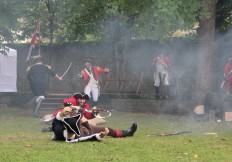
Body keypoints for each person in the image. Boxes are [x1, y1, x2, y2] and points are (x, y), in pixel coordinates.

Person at [51, 102, 137, 142]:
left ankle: (128, 133)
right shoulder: (60, 113)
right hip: (82, 132)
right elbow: (55, 121)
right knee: (104, 131)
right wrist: (62, 114)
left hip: (85, 127)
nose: (69, 108)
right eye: (68, 107)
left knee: (109, 130)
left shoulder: (75, 110)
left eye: (70, 106)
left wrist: (94, 112)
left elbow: (89, 115)